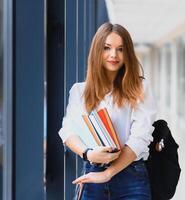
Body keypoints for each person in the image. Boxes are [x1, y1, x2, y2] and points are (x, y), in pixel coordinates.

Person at [58, 22, 157, 200]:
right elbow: (67, 131)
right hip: (92, 171)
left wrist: (107, 173)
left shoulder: (140, 88)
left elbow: (140, 138)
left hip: (131, 176)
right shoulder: (79, 91)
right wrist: (88, 153)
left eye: (120, 49)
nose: (114, 55)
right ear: (97, 51)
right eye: (107, 48)